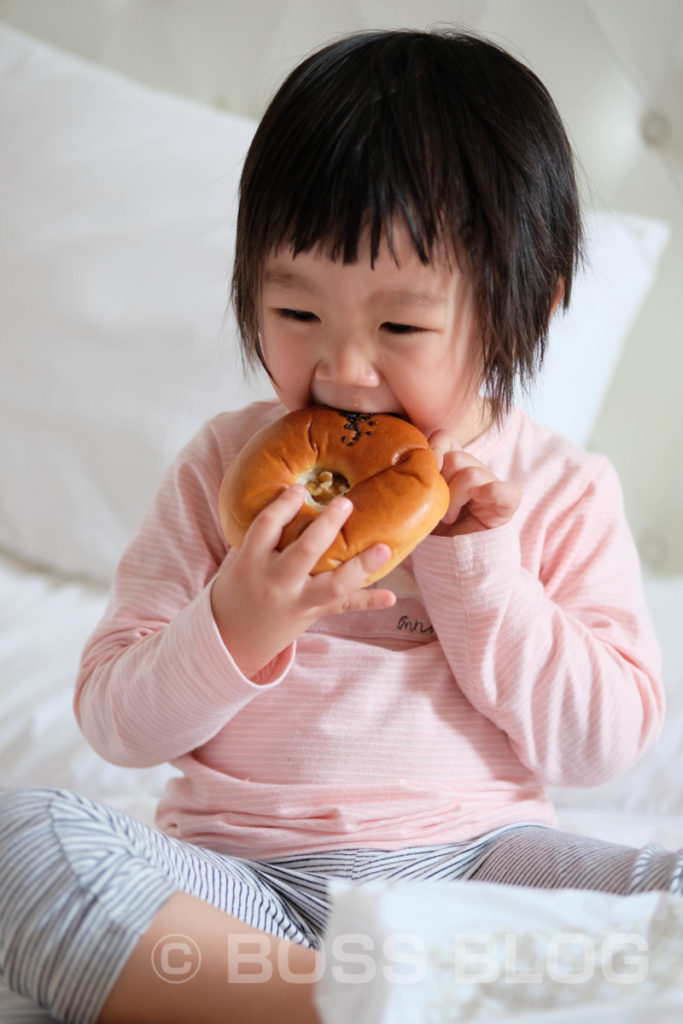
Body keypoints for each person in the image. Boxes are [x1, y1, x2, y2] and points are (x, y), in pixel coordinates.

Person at [0, 27, 679, 1024]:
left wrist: (482, 576)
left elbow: (600, 745)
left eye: (399, 328)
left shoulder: (556, 490)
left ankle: (394, 989)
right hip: (241, 886)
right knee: (27, 843)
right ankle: (349, 1005)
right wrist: (237, 619)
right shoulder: (219, 473)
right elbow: (113, 717)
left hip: (480, 868)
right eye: (295, 312)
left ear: (526, 307)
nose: (344, 371)